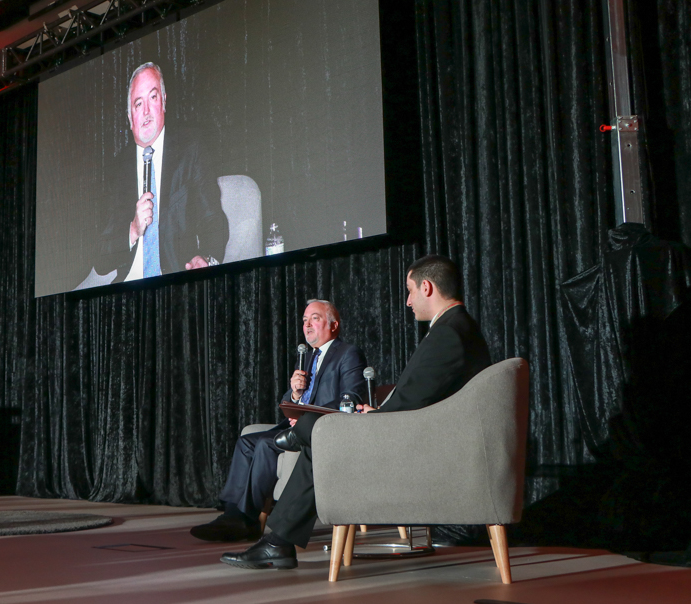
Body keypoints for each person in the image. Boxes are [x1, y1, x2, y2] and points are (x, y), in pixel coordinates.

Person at [220, 254, 492, 569]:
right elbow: (417, 396)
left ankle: (278, 535)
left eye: (410, 290)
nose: (407, 301)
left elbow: (410, 402)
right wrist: (372, 412)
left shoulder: (448, 333)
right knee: (321, 436)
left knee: (322, 437)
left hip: (424, 443)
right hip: (422, 431)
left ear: (427, 287)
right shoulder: (457, 328)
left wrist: (371, 417)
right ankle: (277, 536)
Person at [190, 299, 366, 542]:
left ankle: (246, 520)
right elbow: (289, 400)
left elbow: (350, 399)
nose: (307, 325)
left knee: (264, 445)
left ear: (333, 325)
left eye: (314, 318)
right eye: (304, 320)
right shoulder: (306, 358)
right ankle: (232, 513)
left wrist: (309, 416)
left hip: (320, 430)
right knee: (247, 442)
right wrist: (294, 394)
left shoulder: (347, 354)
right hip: (292, 426)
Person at [97, 62, 228, 281]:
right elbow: (100, 259)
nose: (146, 111)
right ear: (130, 118)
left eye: (153, 97)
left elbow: (212, 220)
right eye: (138, 104)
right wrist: (132, 230)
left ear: (164, 101)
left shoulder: (190, 149)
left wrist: (206, 257)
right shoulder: (117, 171)